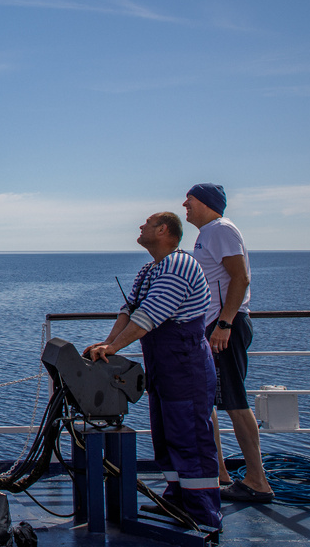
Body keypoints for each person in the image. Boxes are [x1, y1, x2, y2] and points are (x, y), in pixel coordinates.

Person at [88, 212, 221, 529]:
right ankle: (177, 499)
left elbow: (149, 316)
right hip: (162, 364)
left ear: (163, 230)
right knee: (166, 435)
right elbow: (129, 310)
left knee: (190, 436)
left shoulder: (179, 265)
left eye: (146, 224)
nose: (140, 227)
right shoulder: (150, 270)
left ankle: (203, 514)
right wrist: (106, 344)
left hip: (185, 363)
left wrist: (114, 348)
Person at [184, 183, 274, 504]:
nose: (185, 205)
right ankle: (219, 472)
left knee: (235, 402)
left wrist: (224, 323)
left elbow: (240, 277)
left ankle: (257, 481)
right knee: (211, 402)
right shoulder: (208, 233)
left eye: (190, 200)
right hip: (213, 328)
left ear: (206, 203)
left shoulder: (220, 229)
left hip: (226, 329)